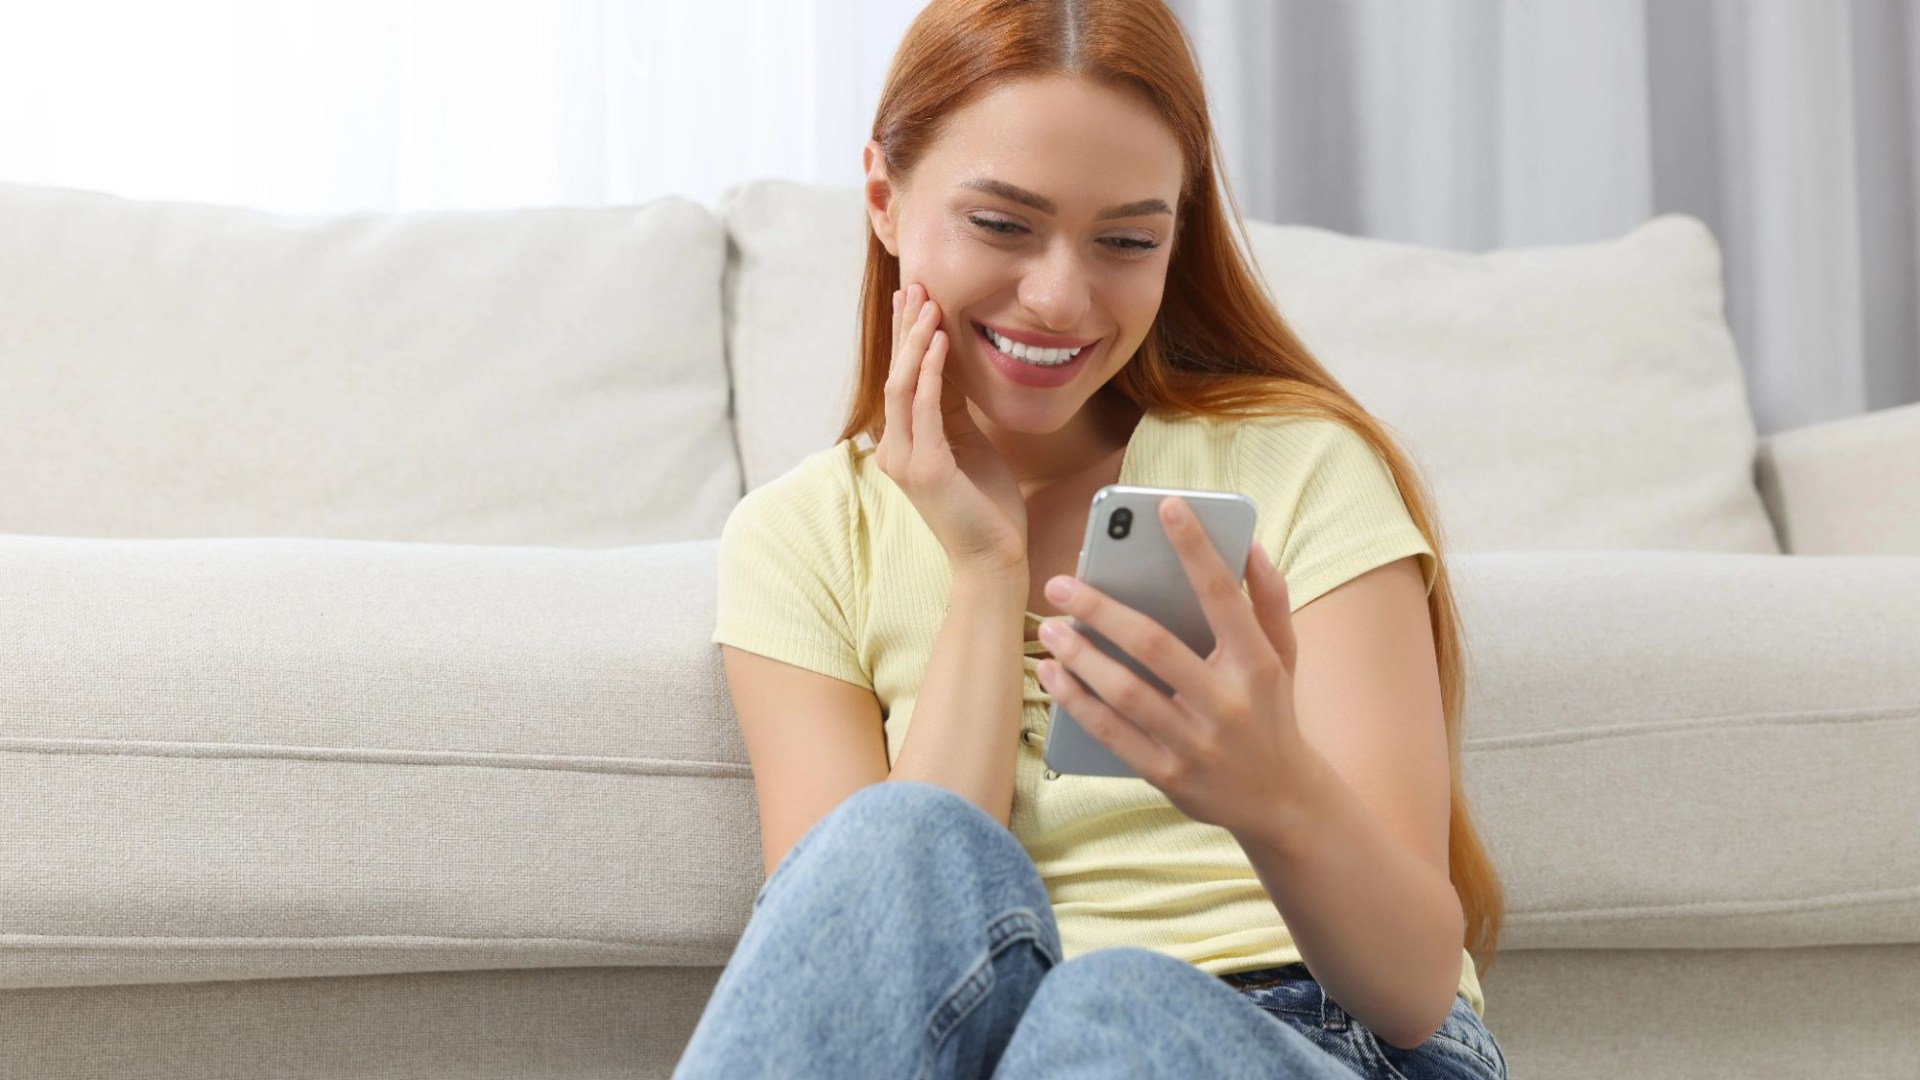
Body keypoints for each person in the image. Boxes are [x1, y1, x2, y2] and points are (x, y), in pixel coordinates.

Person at [681, 1, 1509, 1076]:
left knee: (1110, 1007)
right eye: (1001, 225)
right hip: (980, 1051)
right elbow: (858, 973)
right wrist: (986, 572)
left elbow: (1414, 988)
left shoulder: (1301, 468)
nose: (1060, 299)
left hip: (1319, 1036)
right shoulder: (799, 539)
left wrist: (1273, 788)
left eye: (1126, 241)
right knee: (891, 844)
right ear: (884, 199)